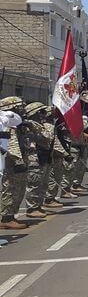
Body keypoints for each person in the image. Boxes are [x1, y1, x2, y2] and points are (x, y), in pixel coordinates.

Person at [0, 96, 26, 230]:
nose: (22, 109)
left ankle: (10, 215)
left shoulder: (16, 123)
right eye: (19, 107)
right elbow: (11, 144)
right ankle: (6, 217)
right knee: (9, 188)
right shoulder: (8, 123)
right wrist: (18, 160)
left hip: (12, 160)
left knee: (17, 188)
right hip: (9, 161)